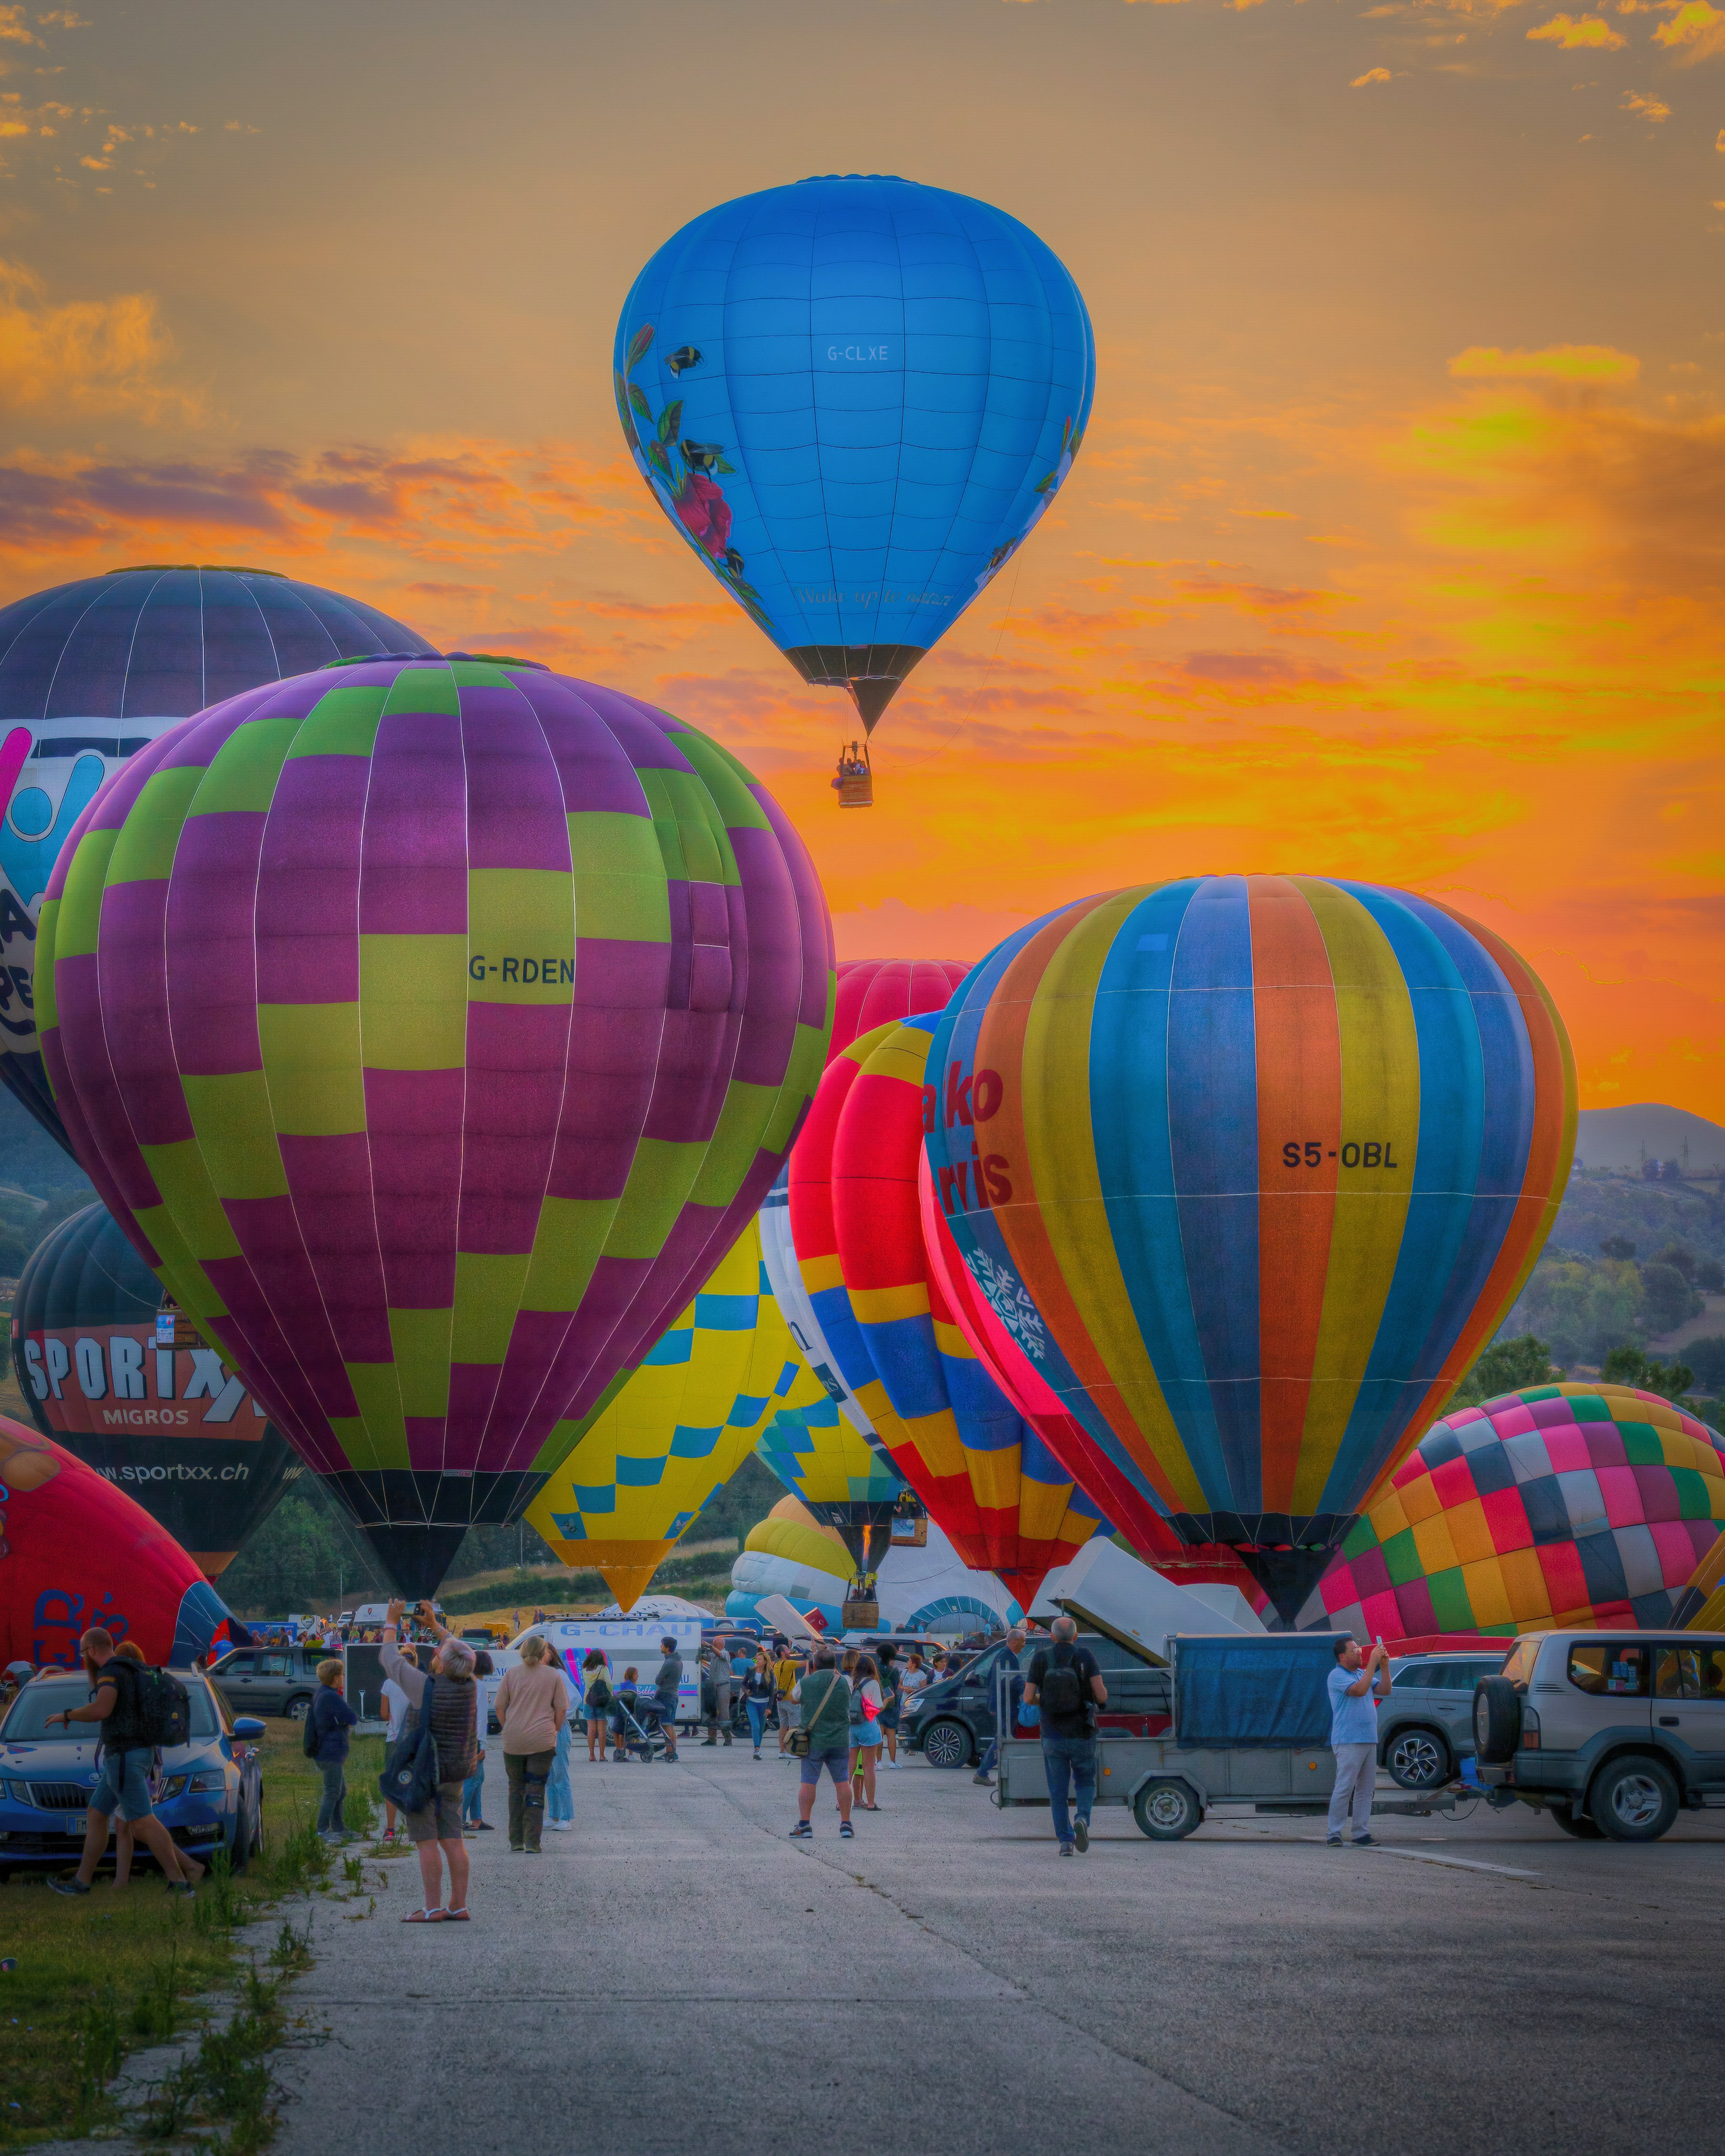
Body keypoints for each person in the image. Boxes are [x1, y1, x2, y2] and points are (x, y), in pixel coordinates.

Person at [46, 1627, 203, 1898]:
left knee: (142, 1823)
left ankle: (180, 1882)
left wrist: (66, 1715)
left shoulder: (110, 1672)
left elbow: (101, 1710)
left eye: (83, 1652)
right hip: (136, 1754)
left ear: (92, 1650)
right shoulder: (132, 1668)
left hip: (124, 1757)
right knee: (96, 1814)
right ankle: (81, 1883)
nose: (84, 1656)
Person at [380, 1599, 480, 1922]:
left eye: (438, 1652)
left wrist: (391, 1621)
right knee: (453, 1838)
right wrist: (435, 1626)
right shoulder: (470, 1685)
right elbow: (458, 1649)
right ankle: (458, 1904)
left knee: (426, 1841)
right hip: (456, 1772)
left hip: (426, 1772)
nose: (436, 1651)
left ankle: (432, 1907)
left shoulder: (425, 1687)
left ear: (442, 1664)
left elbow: (389, 1658)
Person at [1024, 1615, 1106, 1858]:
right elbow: (1101, 1695)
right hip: (1082, 1732)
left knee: (1058, 1790)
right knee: (1085, 1781)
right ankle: (1082, 1818)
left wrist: (1046, 1700)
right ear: (1076, 1636)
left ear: (1051, 1636)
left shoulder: (1041, 1658)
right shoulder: (1086, 1656)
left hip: (1052, 1734)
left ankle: (1066, 1842)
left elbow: (1028, 1698)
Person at [494, 1632, 566, 1851]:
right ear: (544, 1653)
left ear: (523, 1652)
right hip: (542, 1741)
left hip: (514, 1741)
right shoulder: (554, 1675)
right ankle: (533, 1843)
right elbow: (561, 1709)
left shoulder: (511, 1674)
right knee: (535, 1789)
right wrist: (553, 1731)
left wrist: (508, 1727)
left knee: (516, 1789)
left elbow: (499, 1706)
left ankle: (516, 1841)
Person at [1327, 1636, 1391, 1847]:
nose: (1360, 1652)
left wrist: (1385, 1665)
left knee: (1366, 1789)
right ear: (1342, 1656)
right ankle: (1334, 1833)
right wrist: (1373, 1662)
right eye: (1354, 1650)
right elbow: (1359, 1691)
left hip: (1368, 1739)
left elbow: (1385, 1690)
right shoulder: (1337, 1675)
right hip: (1348, 1740)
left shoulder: (1362, 1673)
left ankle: (1360, 1832)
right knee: (1345, 1787)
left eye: (1360, 1648)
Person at [788, 1648, 854, 1841]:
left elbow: (793, 1699)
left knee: (808, 1782)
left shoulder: (806, 1683)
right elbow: (843, 1682)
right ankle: (846, 1825)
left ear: (814, 1665)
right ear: (836, 1665)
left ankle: (804, 1825)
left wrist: (809, 1673)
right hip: (840, 1740)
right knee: (842, 1782)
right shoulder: (846, 1681)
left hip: (813, 1741)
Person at [310, 1655, 359, 1843]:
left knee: (341, 1790)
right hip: (329, 1752)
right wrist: (346, 1719)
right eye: (341, 1674)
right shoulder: (331, 1696)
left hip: (329, 1751)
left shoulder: (321, 1693)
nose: (343, 1677)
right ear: (334, 1677)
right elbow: (352, 1717)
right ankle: (323, 1831)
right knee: (332, 1791)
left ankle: (339, 1828)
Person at [972, 1628, 1027, 1788]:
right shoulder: (1005, 1657)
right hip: (1005, 1705)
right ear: (1015, 1641)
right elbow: (1003, 1681)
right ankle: (982, 1772)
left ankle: (987, 1772)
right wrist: (1027, 1687)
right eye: (1023, 1642)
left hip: (1004, 1704)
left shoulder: (1007, 1656)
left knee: (1004, 1738)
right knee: (1003, 1738)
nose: (1024, 1645)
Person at [849, 1652, 885, 1811]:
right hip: (868, 1726)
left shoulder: (851, 1682)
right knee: (869, 1767)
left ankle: (840, 1802)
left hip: (851, 1727)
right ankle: (870, 1803)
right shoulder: (873, 1684)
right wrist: (887, 1702)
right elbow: (877, 1708)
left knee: (850, 1765)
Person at [381, 1668, 412, 1842]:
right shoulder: (418, 1684)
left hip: (394, 1741)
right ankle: (414, 1827)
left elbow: (384, 1714)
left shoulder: (389, 1684)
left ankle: (391, 1829)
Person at [546, 1655, 575, 1831]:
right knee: (549, 1777)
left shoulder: (558, 1674)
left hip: (558, 1729)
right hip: (547, 1730)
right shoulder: (547, 1674)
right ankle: (554, 1816)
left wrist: (559, 1717)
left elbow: (575, 1698)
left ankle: (566, 1817)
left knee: (560, 1775)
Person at [650, 1637, 682, 1762]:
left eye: (662, 1645)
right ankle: (672, 1752)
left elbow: (658, 1680)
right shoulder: (677, 1660)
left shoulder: (670, 1663)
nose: (660, 1647)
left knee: (666, 1725)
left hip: (666, 1695)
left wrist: (660, 1679)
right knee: (670, 1725)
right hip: (673, 1695)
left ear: (667, 1647)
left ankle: (669, 1753)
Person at [743, 1649, 776, 1758]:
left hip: (764, 1703)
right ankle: (756, 1749)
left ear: (765, 1661)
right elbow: (743, 1684)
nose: (758, 1661)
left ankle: (758, 1749)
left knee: (761, 1727)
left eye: (760, 1659)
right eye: (757, 1659)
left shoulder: (770, 1674)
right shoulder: (751, 1670)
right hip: (751, 1701)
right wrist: (746, 1690)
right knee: (756, 1725)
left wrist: (770, 1707)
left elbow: (772, 1692)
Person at [581, 1650, 613, 1762]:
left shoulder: (585, 1670)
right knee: (602, 1730)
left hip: (588, 1700)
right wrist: (610, 1694)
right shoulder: (604, 1669)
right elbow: (609, 1683)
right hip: (601, 1702)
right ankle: (602, 1756)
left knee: (591, 1729)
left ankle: (591, 1755)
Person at [700, 1641, 733, 1748]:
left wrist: (709, 1646)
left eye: (715, 1644)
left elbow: (720, 1654)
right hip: (713, 1686)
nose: (713, 1645)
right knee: (712, 1712)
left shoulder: (725, 1653)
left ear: (721, 1645)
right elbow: (704, 1657)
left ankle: (728, 1739)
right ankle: (712, 1739)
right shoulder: (713, 1654)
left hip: (723, 1685)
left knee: (724, 1712)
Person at [774, 1644, 801, 1758]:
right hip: (791, 1700)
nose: (789, 1651)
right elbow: (806, 1662)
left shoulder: (777, 1665)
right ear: (782, 1653)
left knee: (783, 1726)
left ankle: (782, 1751)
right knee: (794, 1726)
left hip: (780, 1699)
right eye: (787, 1650)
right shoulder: (789, 1664)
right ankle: (792, 1751)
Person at [877, 1646, 902, 1767]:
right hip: (892, 1703)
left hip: (878, 1703)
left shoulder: (876, 1669)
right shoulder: (895, 1670)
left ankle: (878, 1762)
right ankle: (893, 1762)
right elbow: (896, 1685)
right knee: (891, 1734)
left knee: (879, 1734)